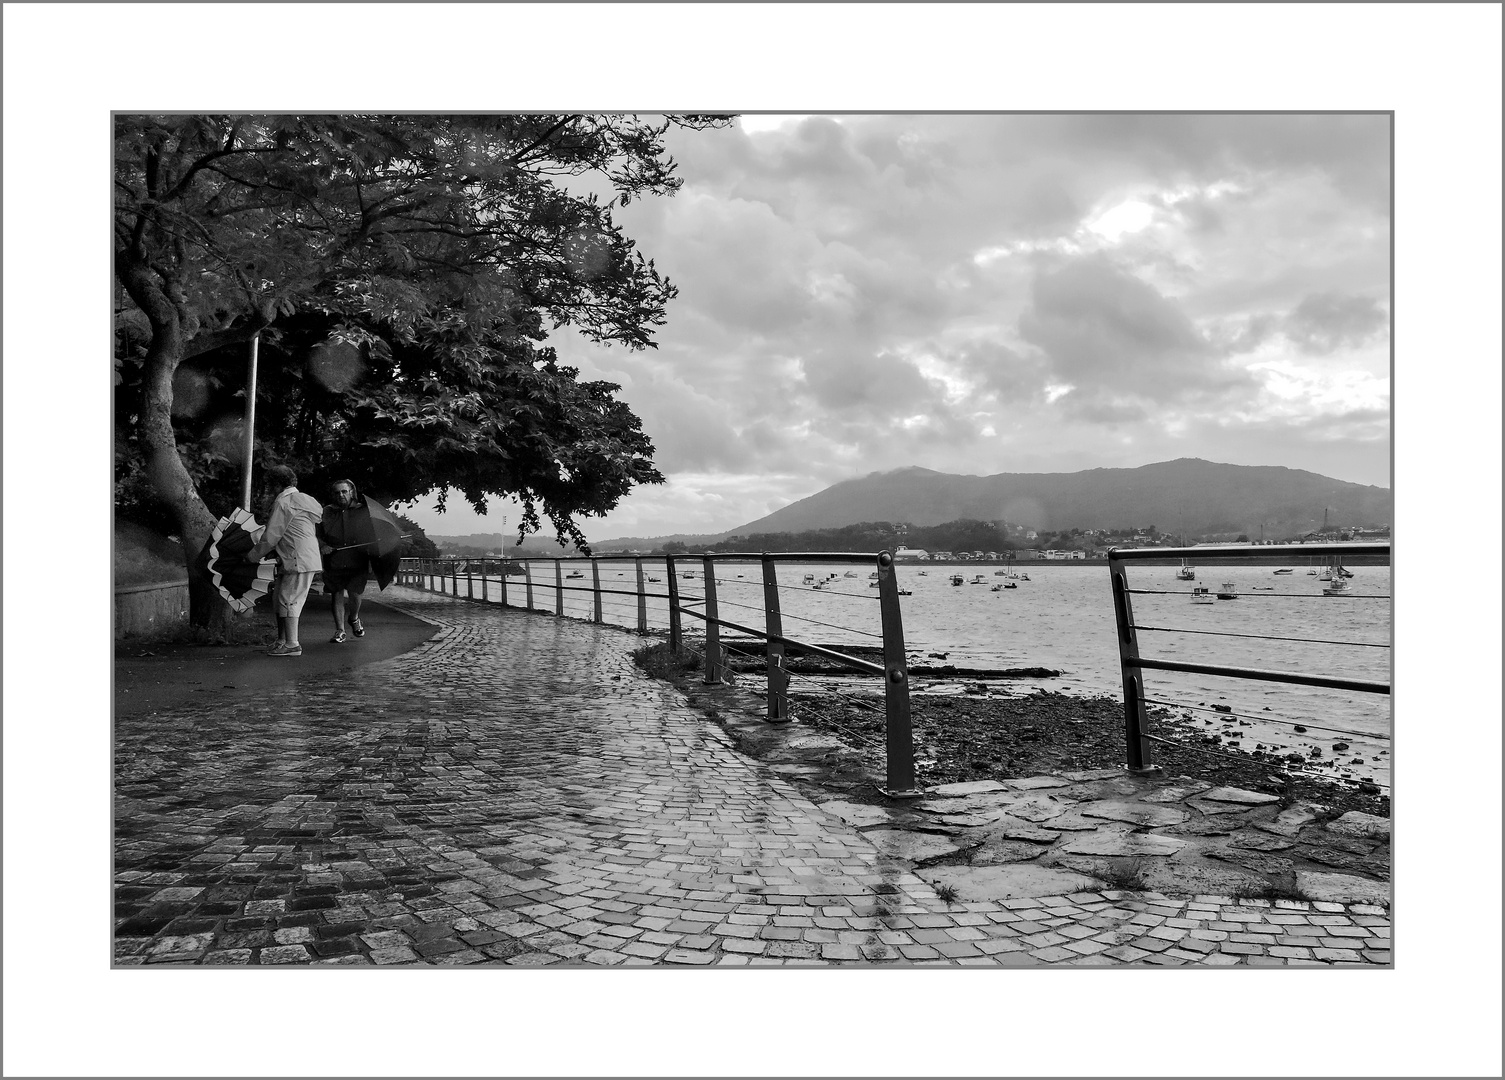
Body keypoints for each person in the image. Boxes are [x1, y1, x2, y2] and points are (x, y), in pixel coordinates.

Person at [245, 465, 323, 657]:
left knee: (289, 599)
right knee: (279, 597)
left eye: (269, 486)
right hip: (301, 556)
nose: (268, 491)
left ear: (277, 484)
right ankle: (282, 641)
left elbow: (272, 536)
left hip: (296, 557)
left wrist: (252, 556)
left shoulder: (284, 503)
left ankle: (292, 644)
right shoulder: (305, 500)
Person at [318, 478, 373, 643]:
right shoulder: (326, 512)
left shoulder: (361, 510)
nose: (340, 495)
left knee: (355, 593)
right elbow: (317, 533)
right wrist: (322, 545)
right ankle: (340, 630)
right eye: (337, 492)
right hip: (334, 557)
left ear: (351, 492)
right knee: (337, 593)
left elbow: (371, 532)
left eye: (344, 491)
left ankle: (354, 618)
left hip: (357, 558)